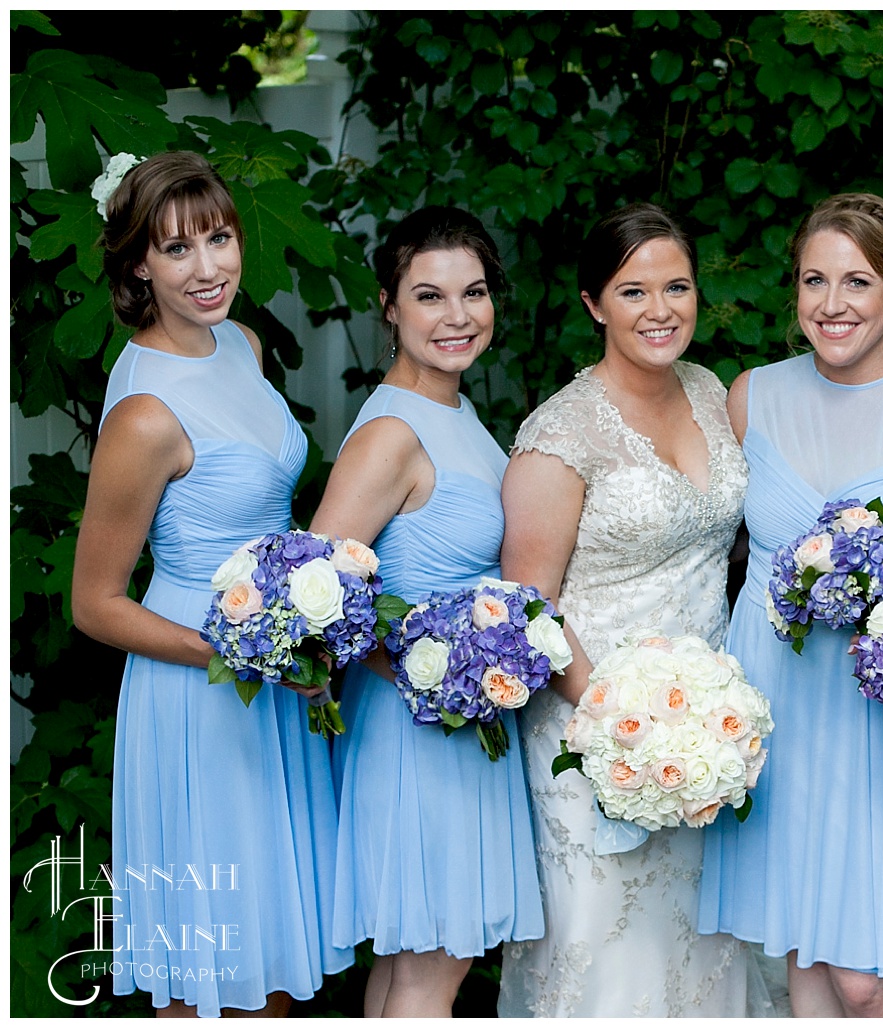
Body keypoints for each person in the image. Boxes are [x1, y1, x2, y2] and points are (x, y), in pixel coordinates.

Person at [698, 193, 883, 1016]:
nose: (832, 305)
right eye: (814, 280)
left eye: (858, 282)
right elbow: (710, 543)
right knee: (804, 953)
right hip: (775, 699)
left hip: (878, 716)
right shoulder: (750, 396)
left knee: (867, 976)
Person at [73, 151, 352, 1015]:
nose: (209, 269)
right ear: (137, 266)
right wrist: (238, 656)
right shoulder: (145, 414)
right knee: (211, 961)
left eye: (220, 238)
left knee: (269, 954)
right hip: (201, 692)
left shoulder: (243, 342)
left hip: (276, 674)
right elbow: (94, 604)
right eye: (177, 249)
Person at [496, 203, 766, 1018]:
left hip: (709, 733)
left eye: (676, 287)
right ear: (592, 304)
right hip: (593, 735)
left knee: (701, 948)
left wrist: (702, 728)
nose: (660, 311)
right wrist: (627, 724)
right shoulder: (561, 434)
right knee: (608, 954)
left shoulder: (711, 392)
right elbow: (528, 610)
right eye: (633, 291)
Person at [307, 207, 544, 1017]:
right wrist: (429, 669)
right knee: (436, 963)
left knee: (416, 963)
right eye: (430, 296)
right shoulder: (391, 433)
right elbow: (316, 597)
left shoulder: (457, 411)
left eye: (473, 293)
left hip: (455, 720)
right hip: (420, 730)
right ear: (389, 306)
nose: (457, 316)